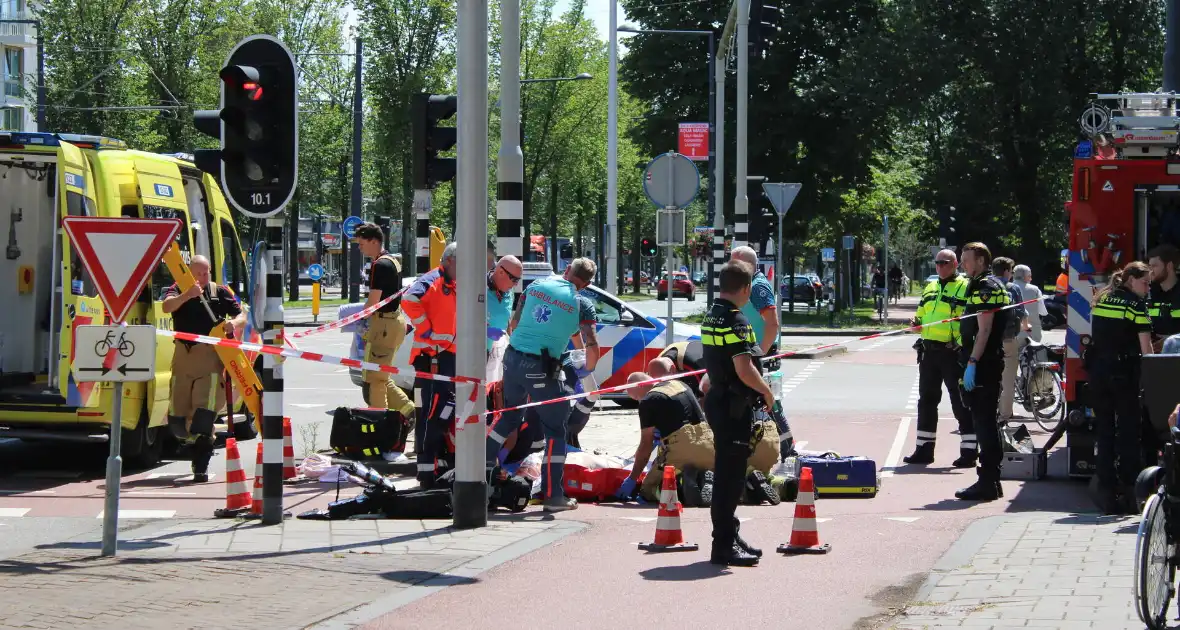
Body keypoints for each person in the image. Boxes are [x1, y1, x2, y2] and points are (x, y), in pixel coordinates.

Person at [485, 258, 600, 512]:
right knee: (556, 430)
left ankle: (481, 474)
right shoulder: (581, 303)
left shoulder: (535, 285)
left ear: (567, 270)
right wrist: (588, 367)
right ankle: (553, 496)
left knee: (508, 418)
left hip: (513, 358)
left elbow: (513, 324)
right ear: (587, 284)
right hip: (542, 367)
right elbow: (590, 344)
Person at [701, 260, 776, 567]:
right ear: (746, 289)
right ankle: (722, 545)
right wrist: (766, 391)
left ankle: (730, 535)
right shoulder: (737, 320)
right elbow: (744, 369)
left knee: (727, 473)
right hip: (734, 406)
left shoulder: (712, 314)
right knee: (729, 479)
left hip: (719, 400)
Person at [161, 255, 247, 483]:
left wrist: (234, 324)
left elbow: (242, 314)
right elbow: (166, 307)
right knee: (178, 421)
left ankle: (201, 465)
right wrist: (187, 295)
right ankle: (191, 446)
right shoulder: (177, 289)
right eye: (197, 273)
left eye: (205, 272)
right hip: (182, 357)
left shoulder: (219, 292)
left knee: (203, 417)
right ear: (189, 273)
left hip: (209, 358)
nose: (202, 277)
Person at [1089, 261, 1154, 514]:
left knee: (1104, 432)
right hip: (1124, 375)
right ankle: (1130, 491)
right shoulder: (1136, 305)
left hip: (1098, 372)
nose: (1148, 288)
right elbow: (1146, 350)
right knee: (1128, 433)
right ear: (1130, 280)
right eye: (1145, 282)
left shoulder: (1104, 299)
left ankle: (1106, 491)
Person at [904, 249, 974, 467]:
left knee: (959, 401)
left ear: (955, 264)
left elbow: (972, 320)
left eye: (944, 263)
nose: (940, 266)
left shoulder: (965, 286)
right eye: (937, 263)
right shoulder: (931, 286)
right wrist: (915, 322)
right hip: (928, 351)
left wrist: (961, 343)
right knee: (926, 401)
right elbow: (922, 315)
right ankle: (924, 450)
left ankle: (970, 451)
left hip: (952, 352)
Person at [955, 242, 1012, 502]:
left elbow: (985, 330)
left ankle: (987, 482)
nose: (962, 264)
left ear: (980, 260)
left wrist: (972, 362)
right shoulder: (985, 284)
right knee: (985, 420)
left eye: (966, 260)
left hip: (984, 363)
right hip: (986, 361)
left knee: (984, 422)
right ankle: (991, 480)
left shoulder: (985, 287)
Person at [402, 242, 459, 487]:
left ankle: (436, 464)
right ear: (448, 261)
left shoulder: (455, 283)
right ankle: (426, 471)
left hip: (448, 356)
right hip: (432, 357)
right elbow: (409, 298)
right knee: (431, 414)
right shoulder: (432, 280)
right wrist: (425, 328)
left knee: (443, 411)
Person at [619, 373, 716, 502]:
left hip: (681, 447)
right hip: (709, 445)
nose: (638, 401)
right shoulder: (680, 384)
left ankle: (681, 487)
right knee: (697, 462)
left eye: (636, 397)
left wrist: (632, 478)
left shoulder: (648, 401)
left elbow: (645, 446)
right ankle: (702, 477)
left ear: (641, 386)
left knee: (648, 491)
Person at [354, 223, 414, 419]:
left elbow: (373, 303)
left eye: (361, 244)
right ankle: (410, 412)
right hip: (394, 322)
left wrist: (355, 318)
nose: (359, 248)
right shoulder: (393, 260)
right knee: (382, 376)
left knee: (375, 380)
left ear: (373, 241)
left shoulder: (379, 265)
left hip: (384, 326)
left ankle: (380, 424)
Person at [993, 257, 1028, 421]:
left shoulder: (986, 286)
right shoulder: (1012, 288)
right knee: (1008, 380)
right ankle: (1005, 415)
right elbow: (1020, 312)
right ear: (1006, 271)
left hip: (987, 340)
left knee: (989, 377)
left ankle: (988, 411)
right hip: (1008, 339)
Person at [730, 247, 779, 363]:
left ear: (747, 265)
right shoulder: (750, 284)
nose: (730, 268)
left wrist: (760, 354)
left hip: (758, 353)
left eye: (734, 264)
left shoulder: (757, 287)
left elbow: (772, 324)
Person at [1148, 244, 1180, 351]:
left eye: (1155, 266)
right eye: (1149, 266)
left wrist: (1170, 342)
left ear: (1169, 266)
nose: (1150, 271)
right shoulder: (1147, 292)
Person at [487, 255, 521, 353]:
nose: (516, 284)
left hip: (498, 355)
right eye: (514, 279)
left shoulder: (510, 292)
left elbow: (507, 321)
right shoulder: (478, 289)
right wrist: (487, 332)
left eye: (518, 280)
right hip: (477, 356)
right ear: (501, 272)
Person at [1012, 265, 1046, 343]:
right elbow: (1042, 312)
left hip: (1011, 333)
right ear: (1024, 277)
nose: (1031, 279)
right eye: (1029, 276)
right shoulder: (1035, 289)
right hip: (1032, 333)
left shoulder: (1005, 288)